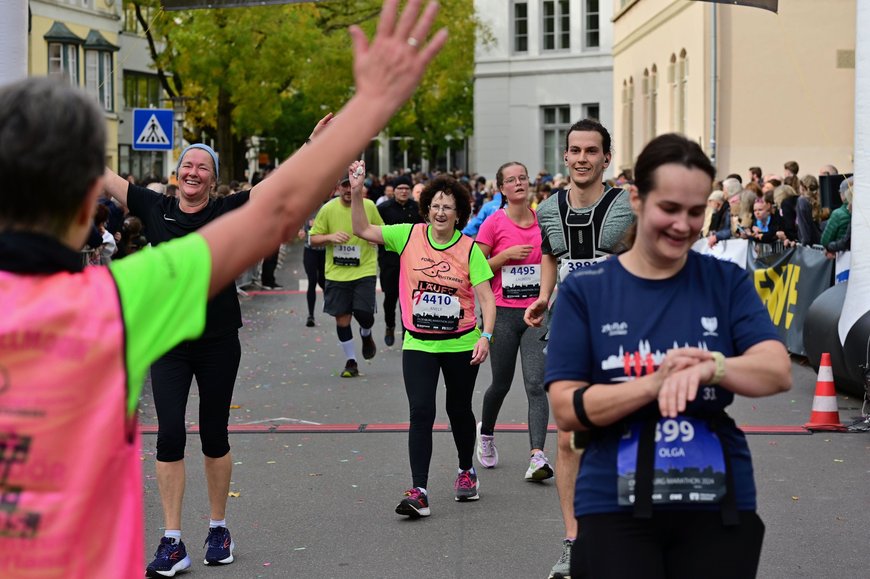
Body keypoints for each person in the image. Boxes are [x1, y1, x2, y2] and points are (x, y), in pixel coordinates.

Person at [0, 5, 443, 578]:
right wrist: (370, 107)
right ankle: (175, 535)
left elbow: (266, 204)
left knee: (208, 431)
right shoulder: (114, 302)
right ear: (91, 204)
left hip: (216, 340)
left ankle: (209, 528)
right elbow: (280, 210)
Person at [545, 133, 791, 579]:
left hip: (715, 499)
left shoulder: (725, 281)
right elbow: (565, 408)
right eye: (670, 209)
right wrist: (653, 383)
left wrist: (713, 367)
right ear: (637, 198)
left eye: (696, 212)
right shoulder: (587, 290)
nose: (684, 224)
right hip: (615, 503)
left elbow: (777, 369)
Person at [350, 166, 496, 518]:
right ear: (426, 209)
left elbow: (487, 300)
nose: (441, 212)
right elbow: (362, 229)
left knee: (458, 410)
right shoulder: (408, 236)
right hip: (419, 342)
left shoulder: (469, 249)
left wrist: (486, 337)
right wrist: (357, 192)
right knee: (421, 412)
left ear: (459, 213)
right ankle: (420, 490)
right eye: (435, 205)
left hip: (462, 342)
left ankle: (466, 471)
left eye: (448, 207)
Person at [523, 118, 634, 579]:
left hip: (624, 332)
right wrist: (544, 296)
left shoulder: (628, 206)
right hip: (568, 330)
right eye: (575, 150)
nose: (583, 158)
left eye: (592, 150)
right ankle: (574, 543)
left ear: (606, 157)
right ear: (564, 157)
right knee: (568, 439)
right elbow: (552, 253)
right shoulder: (547, 208)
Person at [474, 161, 553, 481]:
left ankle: (537, 455)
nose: (519, 183)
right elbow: (476, 272)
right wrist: (504, 257)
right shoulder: (493, 224)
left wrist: (547, 296)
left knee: (536, 384)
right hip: (504, 313)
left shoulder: (543, 222)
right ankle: (487, 433)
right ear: (501, 189)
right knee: (501, 384)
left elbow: (553, 262)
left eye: (523, 178)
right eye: (511, 179)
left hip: (536, 312)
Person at [309, 174, 384, 378]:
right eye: (345, 187)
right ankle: (351, 361)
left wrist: (375, 238)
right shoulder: (328, 209)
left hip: (364, 270)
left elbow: (382, 230)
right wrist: (330, 237)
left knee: (364, 314)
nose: (349, 190)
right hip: (337, 273)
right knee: (342, 318)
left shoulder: (368, 207)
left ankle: (366, 334)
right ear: (337, 188)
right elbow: (313, 239)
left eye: (352, 186)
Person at [377, 173, 424, 346]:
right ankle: (390, 326)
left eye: (407, 188)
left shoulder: (418, 208)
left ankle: (407, 331)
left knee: (410, 298)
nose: (403, 191)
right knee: (390, 298)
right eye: (400, 188)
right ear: (393, 191)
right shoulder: (383, 209)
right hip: (389, 261)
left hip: (412, 262)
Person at [299, 204, 327, 327]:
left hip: (324, 251)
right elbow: (299, 223)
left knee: (322, 280)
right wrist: (300, 230)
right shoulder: (306, 209)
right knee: (312, 280)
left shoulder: (327, 209)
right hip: (310, 251)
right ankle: (311, 316)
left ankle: (330, 298)